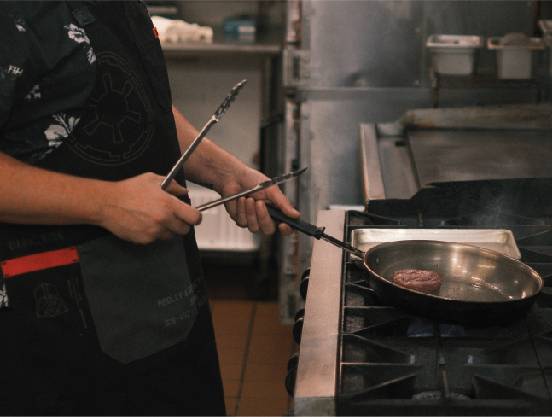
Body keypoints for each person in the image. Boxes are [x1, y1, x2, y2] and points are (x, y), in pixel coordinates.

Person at [0, 1, 299, 415]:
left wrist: (222, 170)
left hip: (161, 302)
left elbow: (123, 95)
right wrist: (105, 204)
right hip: (51, 324)